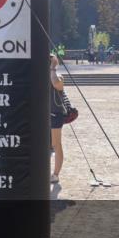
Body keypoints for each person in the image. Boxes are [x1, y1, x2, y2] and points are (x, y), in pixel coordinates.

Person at [49, 53, 66, 184]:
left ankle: (55, 174)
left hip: (55, 114)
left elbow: (56, 84)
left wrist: (53, 68)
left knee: (56, 144)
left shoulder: (58, 76)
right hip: (43, 115)